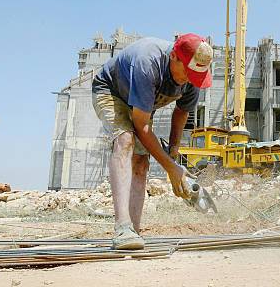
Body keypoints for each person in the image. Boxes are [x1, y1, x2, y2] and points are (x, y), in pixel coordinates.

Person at [91, 33, 213, 250]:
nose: (189, 79)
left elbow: (181, 113)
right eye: (187, 72)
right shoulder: (148, 62)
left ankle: (133, 232)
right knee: (125, 139)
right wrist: (171, 168)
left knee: (142, 161)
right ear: (174, 56)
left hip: (141, 104)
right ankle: (122, 227)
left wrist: (173, 155)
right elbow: (141, 126)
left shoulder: (194, 72)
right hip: (112, 92)